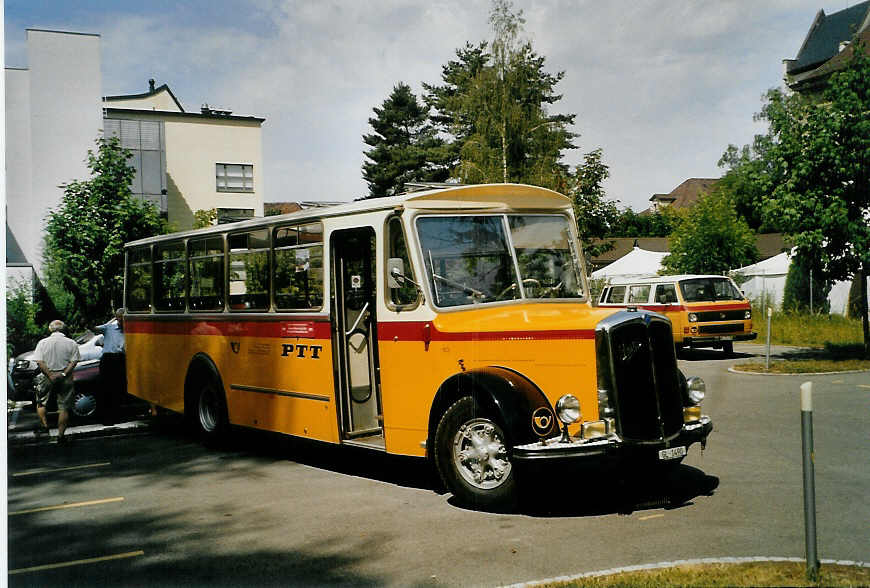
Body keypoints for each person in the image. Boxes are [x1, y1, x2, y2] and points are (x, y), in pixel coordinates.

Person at [32, 319, 80, 444]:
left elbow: (39, 361)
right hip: (65, 376)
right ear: (63, 329)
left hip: (47, 376)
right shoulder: (71, 343)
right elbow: (74, 361)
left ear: (50, 329)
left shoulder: (42, 343)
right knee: (64, 407)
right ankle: (60, 435)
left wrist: (50, 374)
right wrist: (64, 373)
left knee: (41, 402)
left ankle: (45, 426)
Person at [94, 308, 126, 426]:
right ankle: (106, 417)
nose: (121, 320)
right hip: (108, 359)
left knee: (119, 388)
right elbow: (95, 329)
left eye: (123, 318)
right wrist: (87, 323)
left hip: (121, 359)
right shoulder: (109, 328)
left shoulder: (129, 330)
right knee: (106, 388)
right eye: (119, 318)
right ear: (117, 318)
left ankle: (116, 416)